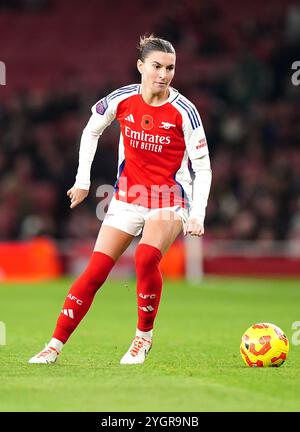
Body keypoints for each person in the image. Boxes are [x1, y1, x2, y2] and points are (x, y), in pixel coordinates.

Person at [28, 34, 212, 365]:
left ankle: (143, 337)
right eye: (156, 66)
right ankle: (53, 345)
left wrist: (197, 213)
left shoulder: (184, 111)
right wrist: (82, 180)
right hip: (127, 198)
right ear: (140, 66)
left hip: (169, 199)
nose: (163, 74)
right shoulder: (122, 99)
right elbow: (91, 130)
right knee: (95, 271)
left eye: (170, 68)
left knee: (144, 259)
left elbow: (203, 167)